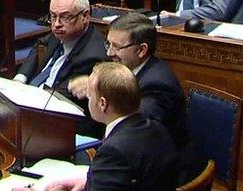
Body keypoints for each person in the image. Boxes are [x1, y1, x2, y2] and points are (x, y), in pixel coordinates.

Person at [12, 62, 179, 191]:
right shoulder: (156, 129)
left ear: (103, 104)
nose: (87, 98)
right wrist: (89, 180)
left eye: (90, 94)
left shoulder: (115, 150)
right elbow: (135, 181)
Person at [74, 11, 197, 182]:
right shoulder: (131, 72)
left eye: (117, 47)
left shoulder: (157, 86)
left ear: (141, 50)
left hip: (163, 181)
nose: (109, 53)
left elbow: (133, 129)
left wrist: (97, 88)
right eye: (108, 44)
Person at [15, 0, 108, 134]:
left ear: (85, 16)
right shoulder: (63, 32)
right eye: (53, 16)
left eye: (65, 17)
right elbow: (40, 43)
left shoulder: (91, 56)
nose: (57, 23)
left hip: (60, 125)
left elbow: (56, 98)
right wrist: (20, 78)